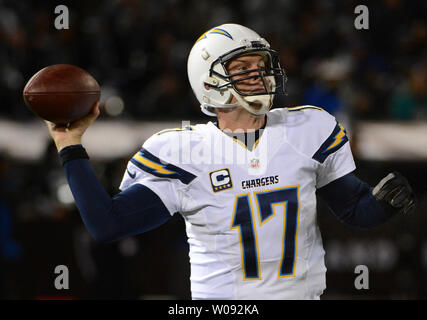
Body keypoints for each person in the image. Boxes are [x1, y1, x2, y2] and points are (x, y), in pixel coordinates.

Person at [45, 24, 416, 300]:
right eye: (243, 69)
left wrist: (383, 204)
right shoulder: (182, 151)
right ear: (209, 82)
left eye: (261, 65)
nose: (258, 75)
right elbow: (108, 225)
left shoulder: (310, 127)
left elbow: (354, 210)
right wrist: (70, 144)